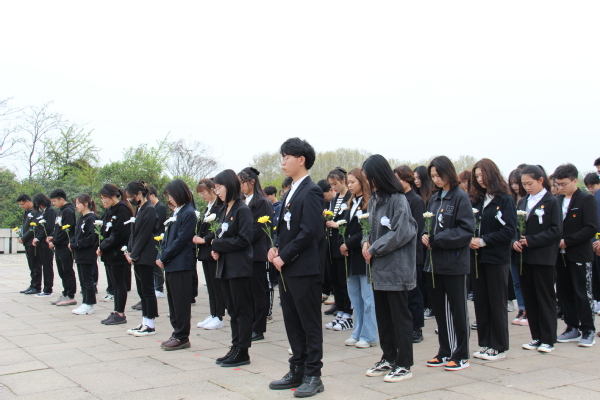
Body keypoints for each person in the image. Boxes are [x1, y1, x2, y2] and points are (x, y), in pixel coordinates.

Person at [268, 138, 325, 397]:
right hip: (287, 267)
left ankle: (313, 374)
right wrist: (275, 247)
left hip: (304, 269)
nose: (282, 162)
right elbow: (284, 228)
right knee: (292, 321)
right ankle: (297, 369)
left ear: (301, 160)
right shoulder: (290, 190)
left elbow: (309, 230)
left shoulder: (311, 190)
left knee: (309, 323)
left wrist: (286, 255)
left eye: (286, 157)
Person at [361, 155, 417, 383]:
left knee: (399, 318)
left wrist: (374, 247)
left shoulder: (398, 199)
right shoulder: (375, 200)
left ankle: (404, 364)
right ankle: (388, 357)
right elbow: (368, 227)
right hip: (378, 270)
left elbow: (401, 232)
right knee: (383, 317)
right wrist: (365, 242)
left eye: (370, 178)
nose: (368, 182)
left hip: (395, 269)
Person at [422, 156, 475, 371]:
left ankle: (461, 354)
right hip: (435, 263)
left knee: (457, 310)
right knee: (440, 310)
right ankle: (445, 350)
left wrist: (438, 239)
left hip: (454, 263)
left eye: (439, 175)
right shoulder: (435, 198)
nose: (436, 179)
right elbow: (428, 223)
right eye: (433, 176)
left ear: (448, 173)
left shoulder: (460, 197)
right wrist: (425, 235)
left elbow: (466, 230)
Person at [469, 159, 517, 361]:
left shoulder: (504, 200)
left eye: (483, 175)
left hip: (496, 258)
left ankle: (499, 346)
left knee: (496, 302)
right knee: (481, 302)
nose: (480, 179)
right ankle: (486, 343)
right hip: (477, 258)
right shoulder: (477, 200)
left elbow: (509, 230)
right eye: (477, 176)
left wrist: (484, 241)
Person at [513, 165, 562, 353]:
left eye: (530, 183)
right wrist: (514, 241)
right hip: (524, 258)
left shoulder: (551, 201)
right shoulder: (523, 202)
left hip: (543, 258)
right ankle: (536, 336)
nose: (527, 187)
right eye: (524, 184)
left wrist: (532, 240)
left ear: (541, 180)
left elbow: (556, 231)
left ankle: (548, 339)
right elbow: (515, 227)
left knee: (545, 298)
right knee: (530, 298)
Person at [211, 169, 254, 367]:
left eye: (219, 187)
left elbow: (244, 239)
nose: (217, 191)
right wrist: (216, 249)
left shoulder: (242, 210)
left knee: (241, 309)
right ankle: (235, 345)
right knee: (232, 310)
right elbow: (222, 236)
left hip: (238, 268)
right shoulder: (223, 210)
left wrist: (218, 245)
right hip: (225, 267)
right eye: (215, 188)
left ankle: (243, 350)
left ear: (229, 186)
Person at [553, 164, 598, 347]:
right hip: (559, 255)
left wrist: (568, 241)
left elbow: (591, 227)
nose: (560, 187)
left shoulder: (586, 199)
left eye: (564, 184)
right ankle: (572, 326)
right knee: (564, 292)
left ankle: (588, 330)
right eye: (558, 184)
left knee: (582, 293)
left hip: (579, 254)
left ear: (574, 181)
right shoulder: (557, 201)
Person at [156, 179, 197, 350]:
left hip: (181, 264)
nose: (169, 199)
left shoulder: (188, 213)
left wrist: (164, 256)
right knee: (173, 302)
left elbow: (181, 240)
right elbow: (166, 238)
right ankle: (176, 332)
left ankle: (182, 335)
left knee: (181, 302)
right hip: (172, 264)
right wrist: (161, 254)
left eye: (171, 195)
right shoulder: (177, 212)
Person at [340, 168, 378, 349]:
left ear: (362, 182)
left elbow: (367, 230)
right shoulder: (351, 202)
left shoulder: (370, 203)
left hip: (363, 254)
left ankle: (369, 335)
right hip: (351, 256)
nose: (349, 185)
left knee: (368, 298)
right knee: (355, 297)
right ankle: (357, 331)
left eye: (353, 182)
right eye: (348, 182)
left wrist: (348, 243)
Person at [238, 167, 273, 342]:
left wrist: (240, 240)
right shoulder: (245, 201)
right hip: (245, 253)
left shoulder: (262, 202)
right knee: (248, 292)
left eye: (243, 182)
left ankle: (258, 328)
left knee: (258, 292)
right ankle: (250, 324)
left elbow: (257, 229)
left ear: (252, 182)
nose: (241, 186)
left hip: (256, 253)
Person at [394, 165, 426, 343]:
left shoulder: (416, 200)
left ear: (407, 180)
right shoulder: (397, 199)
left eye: (398, 179)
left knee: (414, 293)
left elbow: (417, 228)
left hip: (413, 254)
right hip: (399, 254)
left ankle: (417, 327)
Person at [124, 181, 159, 337]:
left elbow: (144, 234)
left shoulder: (149, 209)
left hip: (145, 255)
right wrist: (130, 251)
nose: (130, 200)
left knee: (148, 290)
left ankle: (150, 324)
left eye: (131, 196)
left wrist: (134, 254)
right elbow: (134, 234)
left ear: (139, 194)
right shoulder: (139, 209)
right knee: (141, 290)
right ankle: (144, 320)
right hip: (138, 255)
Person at [97, 184, 134, 325]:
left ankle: (120, 313)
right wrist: (101, 245)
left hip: (117, 253)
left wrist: (103, 246)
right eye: (101, 198)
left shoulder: (122, 209)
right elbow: (105, 231)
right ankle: (116, 311)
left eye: (105, 198)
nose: (103, 201)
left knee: (119, 284)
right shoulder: (110, 210)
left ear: (113, 196)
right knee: (114, 284)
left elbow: (118, 234)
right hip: (109, 253)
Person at [194, 178, 226, 330]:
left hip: (212, 249)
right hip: (205, 251)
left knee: (216, 285)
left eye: (203, 193)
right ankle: (213, 313)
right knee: (210, 285)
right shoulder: (209, 207)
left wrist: (205, 239)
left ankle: (219, 316)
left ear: (212, 190)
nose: (202, 196)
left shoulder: (219, 207)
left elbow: (218, 228)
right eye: (200, 194)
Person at [325, 167, 354, 332]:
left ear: (343, 181)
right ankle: (340, 311)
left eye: (335, 184)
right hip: (332, 244)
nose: (333, 187)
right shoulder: (335, 198)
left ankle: (348, 313)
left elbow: (349, 220)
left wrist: (337, 224)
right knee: (335, 280)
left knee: (344, 281)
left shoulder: (350, 197)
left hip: (342, 243)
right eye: (331, 185)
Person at [69, 194, 99, 315]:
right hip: (79, 254)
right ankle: (85, 302)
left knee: (87, 279)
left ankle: (89, 304)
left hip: (87, 253)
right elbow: (76, 234)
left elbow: (91, 238)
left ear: (86, 203)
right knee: (82, 279)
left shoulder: (91, 218)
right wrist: (72, 242)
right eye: (76, 203)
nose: (76, 206)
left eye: (78, 203)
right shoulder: (81, 218)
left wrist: (77, 244)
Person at [47, 189, 77, 306]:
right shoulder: (61, 211)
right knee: (61, 271)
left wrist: (55, 242)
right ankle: (65, 293)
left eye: (55, 201)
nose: (53, 203)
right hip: (59, 246)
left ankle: (70, 295)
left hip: (65, 246)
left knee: (67, 270)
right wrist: (52, 237)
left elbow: (66, 230)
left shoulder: (68, 211)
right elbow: (58, 229)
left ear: (62, 199)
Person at [508, 168, 529, 326]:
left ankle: (528, 310)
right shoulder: (511, 200)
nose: (515, 186)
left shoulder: (527, 201)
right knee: (516, 281)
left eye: (517, 183)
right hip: (513, 246)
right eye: (512, 183)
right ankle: (521, 308)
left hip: (527, 246)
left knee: (526, 280)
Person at [414, 165, 434, 319]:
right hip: (420, 240)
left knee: (429, 276)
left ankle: (431, 305)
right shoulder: (414, 195)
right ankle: (426, 305)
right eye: (414, 178)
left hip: (429, 239)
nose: (416, 181)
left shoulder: (431, 196)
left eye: (418, 178)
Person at [31, 193, 55, 297]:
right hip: (42, 242)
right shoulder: (44, 211)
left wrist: (39, 237)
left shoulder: (50, 211)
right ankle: (46, 288)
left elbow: (49, 227)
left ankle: (48, 289)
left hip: (47, 242)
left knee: (47, 266)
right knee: (44, 265)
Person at [17, 194, 41, 295]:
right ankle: (32, 284)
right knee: (31, 265)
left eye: (22, 204)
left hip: (32, 243)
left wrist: (23, 238)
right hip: (27, 243)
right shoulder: (27, 212)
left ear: (27, 202)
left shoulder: (36, 212)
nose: (21, 207)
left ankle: (36, 286)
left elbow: (33, 228)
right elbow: (25, 226)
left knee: (35, 265)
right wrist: (21, 236)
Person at [148, 185, 167, 298]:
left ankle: (159, 288)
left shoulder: (160, 207)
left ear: (152, 195)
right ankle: (156, 286)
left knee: (157, 264)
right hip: (152, 239)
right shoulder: (151, 207)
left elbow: (157, 224)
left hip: (158, 238)